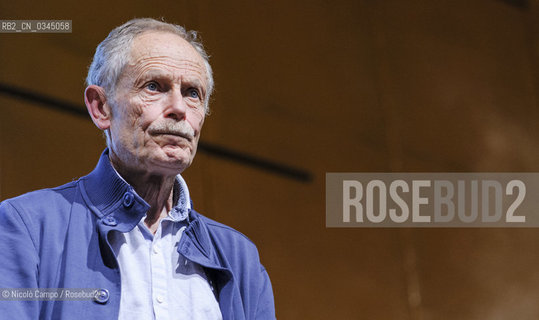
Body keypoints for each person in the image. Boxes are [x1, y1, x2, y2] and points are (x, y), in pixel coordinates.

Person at [0, 18, 275, 320]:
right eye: (154, 86)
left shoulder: (240, 259)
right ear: (101, 108)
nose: (179, 108)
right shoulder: (26, 227)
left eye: (192, 93)